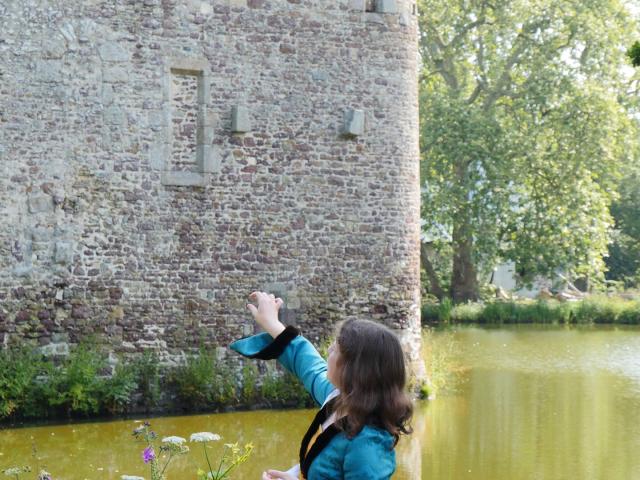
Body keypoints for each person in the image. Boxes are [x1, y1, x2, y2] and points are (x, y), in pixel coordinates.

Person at [229, 291, 413, 480]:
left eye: (336, 349)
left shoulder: (368, 444)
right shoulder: (339, 399)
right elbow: (307, 362)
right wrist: (272, 323)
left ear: (354, 370)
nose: (329, 350)